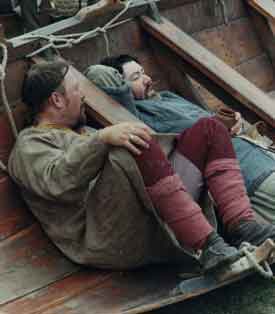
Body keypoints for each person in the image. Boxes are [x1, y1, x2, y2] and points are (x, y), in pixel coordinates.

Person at [8, 61, 275, 272]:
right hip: (109, 236)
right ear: (57, 99)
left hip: (147, 210)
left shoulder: (84, 131)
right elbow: (57, 182)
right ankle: (209, 247)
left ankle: (243, 226)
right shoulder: (30, 144)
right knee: (133, 140)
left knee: (210, 130)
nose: (84, 98)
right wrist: (102, 139)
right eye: (78, 90)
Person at [85, 55, 275, 223]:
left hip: (261, 155)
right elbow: (98, 74)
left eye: (144, 72)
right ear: (122, 87)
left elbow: (210, 123)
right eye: (136, 77)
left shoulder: (168, 97)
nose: (147, 79)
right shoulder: (136, 115)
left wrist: (236, 124)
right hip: (249, 173)